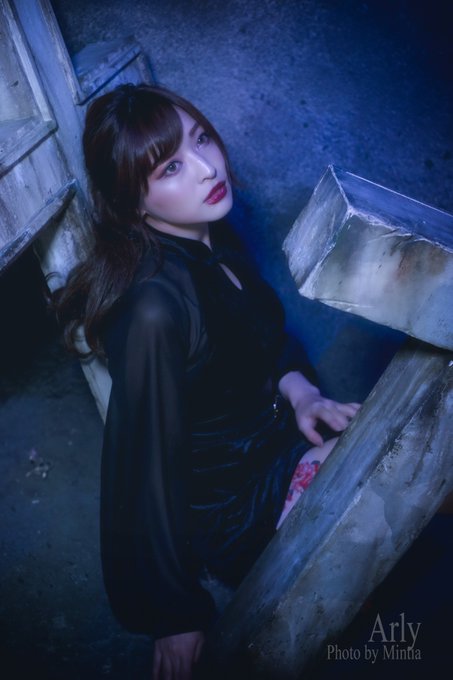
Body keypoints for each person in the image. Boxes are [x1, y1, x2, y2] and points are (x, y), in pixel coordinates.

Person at [55, 83, 360, 680]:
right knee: (410, 469)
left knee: (418, 445)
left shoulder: (207, 233)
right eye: (170, 167)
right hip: (235, 504)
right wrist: (172, 612)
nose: (206, 168)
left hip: (278, 438)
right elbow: (138, 467)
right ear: (133, 203)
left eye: (201, 139)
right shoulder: (153, 308)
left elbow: (261, 341)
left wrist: (302, 393)